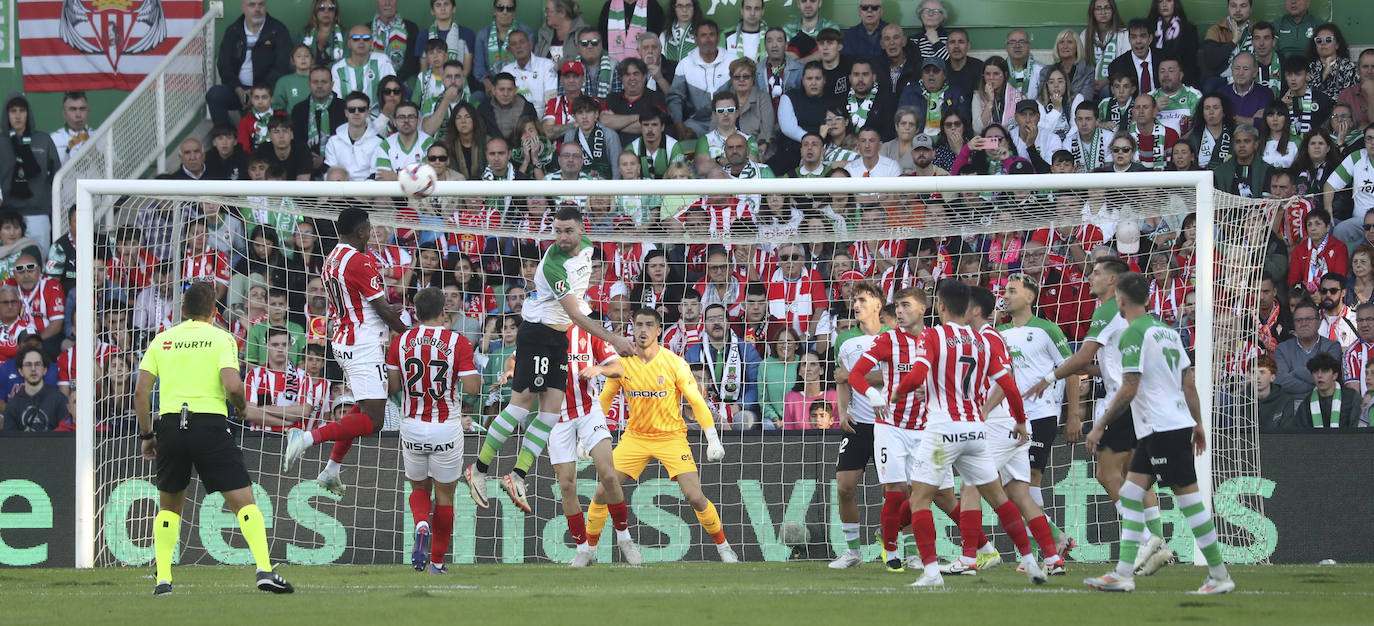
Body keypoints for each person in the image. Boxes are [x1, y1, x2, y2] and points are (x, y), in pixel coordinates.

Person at [464, 207, 636, 512]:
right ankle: (478, 469)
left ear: (581, 230)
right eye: (556, 231)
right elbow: (575, 315)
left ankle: (516, 476)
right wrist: (614, 338)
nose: (561, 237)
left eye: (567, 231)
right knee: (519, 408)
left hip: (558, 339)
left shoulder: (588, 249)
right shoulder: (553, 266)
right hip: (538, 336)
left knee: (549, 414)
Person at [133, 282, 293, 595]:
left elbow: (140, 393)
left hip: (169, 426)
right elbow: (233, 386)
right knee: (244, 502)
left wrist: (148, 436)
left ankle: (163, 579)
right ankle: (264, 569)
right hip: (209, 425)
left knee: (169, 508)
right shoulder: (222, 338)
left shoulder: (163, 339)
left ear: (182, 310)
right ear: (214, 311)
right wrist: (242, 407)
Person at [1081, 272, 1235, 594]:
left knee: (1190, 501)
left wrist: (1098, 426)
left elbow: (1129, 387)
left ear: (1121, 300)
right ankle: (1123, 574)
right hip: (1166, 425)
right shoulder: (1169, 332)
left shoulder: (1133, 333)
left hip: (1161, 428)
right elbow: (1188, 383)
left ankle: (1220, 576)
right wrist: (1198, 422)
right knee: (1131, 495)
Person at [889, 281, 1044, 588]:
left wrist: (898, 391)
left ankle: (932, 572)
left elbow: (918, 374)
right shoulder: (981, 340)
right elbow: (1009, 385)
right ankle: (1031, 562)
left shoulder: (933, 335)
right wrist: (1022, 421)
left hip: (942, 433)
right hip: (975, 431)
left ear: (941, 306)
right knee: (999, 499)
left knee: (920, 499)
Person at [1026, 257, 1168, 572]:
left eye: (1097, 272)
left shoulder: (1107, 310)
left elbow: (1084, 356)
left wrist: (1050, 378)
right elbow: (1100, 364)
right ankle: (1156, 540)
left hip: (1124, 401)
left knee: (1107, 474)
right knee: (1135, 474)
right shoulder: (1122, 314)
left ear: (1113, 282)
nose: (1090, 276)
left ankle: (1146, 539)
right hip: (1143, 401)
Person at [583, 307, 733, 561]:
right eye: (639, 324)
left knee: (695, 497)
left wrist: (713, 439)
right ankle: (588, 551)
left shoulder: (675, 364)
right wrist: (588, 435)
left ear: (659, 329)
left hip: (671, 437)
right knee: (600, 492)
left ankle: (724, 548)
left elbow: (696, 401)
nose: (643, 330)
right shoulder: (622, 364)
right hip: (635, 438)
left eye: (649, 325)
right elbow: (605, 400)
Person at [282, 207, 409, 495]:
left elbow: (361, 304)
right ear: (360, 231)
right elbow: (380, 308)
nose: (370, 234)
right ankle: (306, 439)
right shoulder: (359, 262)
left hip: (346, 338)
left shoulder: (332, 258)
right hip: (362, 345)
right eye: (368, 228)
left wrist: (386, 316)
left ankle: (331, 471)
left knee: (367, 405)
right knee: (374, 421)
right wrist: (409, 335)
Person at [846, 287, 961, 572]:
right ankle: (891, 550)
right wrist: (873, 395)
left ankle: (977, 547)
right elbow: (855, 374)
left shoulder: (938, 339)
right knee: (895, 491)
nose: (899, 310)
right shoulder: (888, 340)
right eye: (897, 305)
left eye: (905, 305)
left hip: (928, 429)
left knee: (940, 495)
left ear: (923, 308)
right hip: (891, 426)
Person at [964, 286, 1069, 574]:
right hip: (1011, 423)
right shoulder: (986, 337)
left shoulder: (988, 338)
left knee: (971, 485)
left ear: (974, 310)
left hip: (998, 424)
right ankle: (1051, 558)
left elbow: (1006, 377)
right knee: (1020, 495)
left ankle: (969, 559)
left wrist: (985, 411)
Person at [385, 287, 479, 574]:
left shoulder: (399, 342)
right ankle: (437, 562)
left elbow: (393, 388)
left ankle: (421, 523)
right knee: (446, 497)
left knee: (418, 488)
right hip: (446, 428)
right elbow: (473, 389)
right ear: (443, 312)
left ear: (416, 312)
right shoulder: (458, 342)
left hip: (412, 426)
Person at [998, 273, 1080, 548]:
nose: (1005, 295)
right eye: (1005, 291)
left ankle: (1045, 548)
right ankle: (1056, 539)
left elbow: (1071, 371)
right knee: (1012, 486)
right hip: (1009, 418)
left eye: (1012, 291)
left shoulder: (1048, 329)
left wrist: (1074, 415)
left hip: (1041, 413)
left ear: (1030, 297)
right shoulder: (999, 333)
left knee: (1031, 479)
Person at [828, 280, 888, 569]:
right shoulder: (845, 340)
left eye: (862, 300)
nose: (856, 305)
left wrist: (855, 376)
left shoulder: (895, 336)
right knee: (844, 487)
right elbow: (840, 379)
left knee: (896, 491)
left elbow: (897, 377)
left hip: (892, 424)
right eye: (855, 301)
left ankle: (910, 551)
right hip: (858, 422)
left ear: (878, 304)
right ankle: (853, 552)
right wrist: (841, 412)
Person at [207, 0, 292, 126]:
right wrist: (238, 89)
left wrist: (257, 91)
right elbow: (224, 66)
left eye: (261, 4)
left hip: (269, 91)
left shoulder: (278, 30)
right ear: (243, 7)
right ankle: (227, 136)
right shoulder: (233, 31)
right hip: (239, 91)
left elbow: (283, 66)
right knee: (215, 95)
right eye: (252, 5)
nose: (257, 9)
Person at [684, 303, 762, 430]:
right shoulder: (693, 353)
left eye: (720, 318)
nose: (716, 323)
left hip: (737, 410)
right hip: (703, 409)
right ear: (704, 325)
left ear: (728, 322)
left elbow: (757, 385)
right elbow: (687, 386)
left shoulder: (746, 349)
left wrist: (740, 405)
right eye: (711, 319)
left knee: (744, 420)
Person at [0, 94, 60, 246]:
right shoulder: (1, 142)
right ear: (7, 115)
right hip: (8, 218)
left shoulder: (43, 140)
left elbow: (58, 176)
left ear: (28, 113)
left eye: (22, 110)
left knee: (39, 261)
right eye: (13, 111)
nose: (18, 116)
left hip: (38, 213)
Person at [668, 20, 729, 138]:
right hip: (697, 122)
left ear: (718, 38)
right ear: (695, 39)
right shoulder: (685, 64)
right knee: (681, 136)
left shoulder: (731, 61)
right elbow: (675, 97)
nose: (708, 39)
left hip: (727, 118)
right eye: (703, 35)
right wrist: (679, 124)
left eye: (711, 35)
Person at [1324, 123, 1374, 246]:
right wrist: (1328, 211)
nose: (1373, 142)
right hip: (1361, 222)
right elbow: (1330, 185)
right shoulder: (1357, 157)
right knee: (1340, 230)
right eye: (1369, 138)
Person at [291, 67, 345, 176]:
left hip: (338, 168)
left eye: (324, 82)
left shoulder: (344, 108)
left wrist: (324, 160)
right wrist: (308, 158)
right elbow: (296, 141)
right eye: (315, 82)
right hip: (304, 168)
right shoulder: (299, 109)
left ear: (332, 84)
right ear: (309, 84)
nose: (319, 86)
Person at [474, 0, 536, 95]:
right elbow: (479, 68)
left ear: (514, 12)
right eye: (500, 8)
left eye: (509, 8)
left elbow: (530, 64)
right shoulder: (483, 35)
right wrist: (490, 86)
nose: (505, 12)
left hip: (519, 82)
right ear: (494, 10)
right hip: (490, 85)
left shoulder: (526, 33)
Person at [1, 345, 67, 432]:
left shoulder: (59, 400)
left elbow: (66, 438)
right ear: (21, 371)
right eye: (28, 364)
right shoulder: (13, 405)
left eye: (38, 364)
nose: (33, 369)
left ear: (45, 370)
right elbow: (11, 443)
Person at [325, 91, 385, 181]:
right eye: (352, 109)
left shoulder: (378, 143)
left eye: (361, 109)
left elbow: (375, 176)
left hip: (366, 193)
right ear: (346, 113)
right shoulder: (333, 141)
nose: (356, 113)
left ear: (368, 112)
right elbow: (329, 173)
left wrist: (359, 194)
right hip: (338, 191)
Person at [331, 24, 396, 101]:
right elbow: (337, 100)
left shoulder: (382, 61)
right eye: (356, 38)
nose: (361, 42)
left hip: (379, 112)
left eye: (366, 38)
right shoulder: (338, 68)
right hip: (350, 112)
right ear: (349, 43)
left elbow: (393, 93)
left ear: (372, 42)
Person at [374, 101, 434, 181]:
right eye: (401, 117)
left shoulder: (428, 143)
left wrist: (396, 177)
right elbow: (382, 178)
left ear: (418, 121)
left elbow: (427, 179)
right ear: (394, 122)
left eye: (411, 117)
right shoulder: (386, 145)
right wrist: (414, 177)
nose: (406, 121)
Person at [1108, 19, 1162, 96]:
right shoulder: (1117, 66)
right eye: (1133, 37)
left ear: (1150, 39)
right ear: (1129, 39)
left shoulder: (1164, 59)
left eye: (1143, 36)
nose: (1138, 41)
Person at [50, 91, 94, 164]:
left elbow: (118, 172)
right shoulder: (53, 140)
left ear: (88, 112)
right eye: (73, 109)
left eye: (82, 109)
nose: (78, 114)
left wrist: (96, 154)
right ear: (64, 113)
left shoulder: (100, 136)